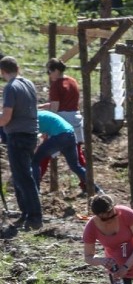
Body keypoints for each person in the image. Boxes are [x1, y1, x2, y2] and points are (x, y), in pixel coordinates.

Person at [0, 56, 42, 230]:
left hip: (18, 136)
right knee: (21, 176)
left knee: (24, 178)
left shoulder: (10, 88)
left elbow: (6, 117)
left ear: (2, 72)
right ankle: (26, 212)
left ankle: (34, 216)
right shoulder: (28, 84)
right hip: (31, 134)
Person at [38, 58, 87, 190]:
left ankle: (35, 182)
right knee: (78, 155)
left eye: (50, 71)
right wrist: (42, 106)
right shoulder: (72, 81)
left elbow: (54, 108)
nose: (49, 74)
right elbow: (66, 103)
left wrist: (46, 130)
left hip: (61, 123)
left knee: (43, 155)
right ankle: (87, 183)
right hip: (75, 119)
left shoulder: (56, 86)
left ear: (56, 70)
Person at [32, 111, 99, 193]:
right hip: (70, 133)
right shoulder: (41, 114)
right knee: (75, 166)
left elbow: (34, 141)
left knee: (35, 161)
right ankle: (97, 189)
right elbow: (44, 134)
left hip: (60, 136)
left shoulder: (31, 119)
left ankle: (35, 192)